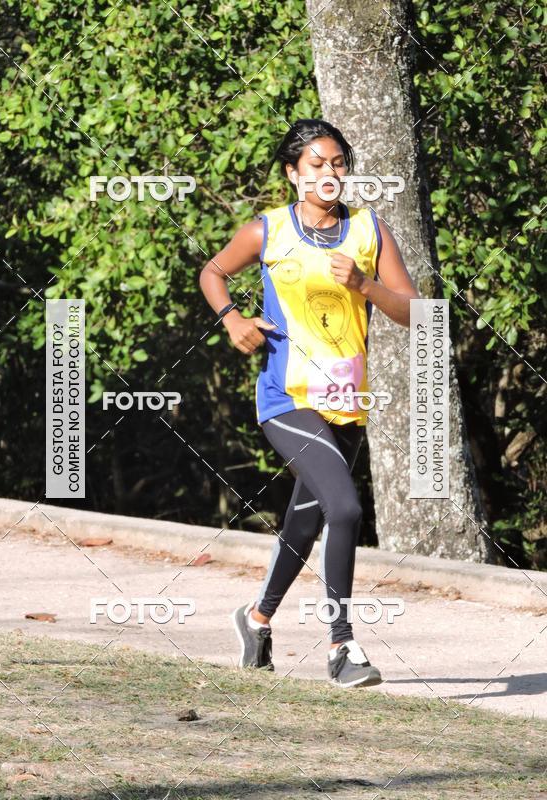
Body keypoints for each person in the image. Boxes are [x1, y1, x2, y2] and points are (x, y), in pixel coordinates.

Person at [199, 118, 419, 688]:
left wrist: (366, 286)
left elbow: (420, 314)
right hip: (286, 397)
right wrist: (232, 320)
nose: (329, 173)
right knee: (344, 508)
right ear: (294, 174)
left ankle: (256, 620)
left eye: (338, 163)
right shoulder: (269, 230)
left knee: (305, 519)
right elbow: (213, 272)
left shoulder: (370, 231)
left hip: (346, 401)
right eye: (317, 164)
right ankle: (342, 647)